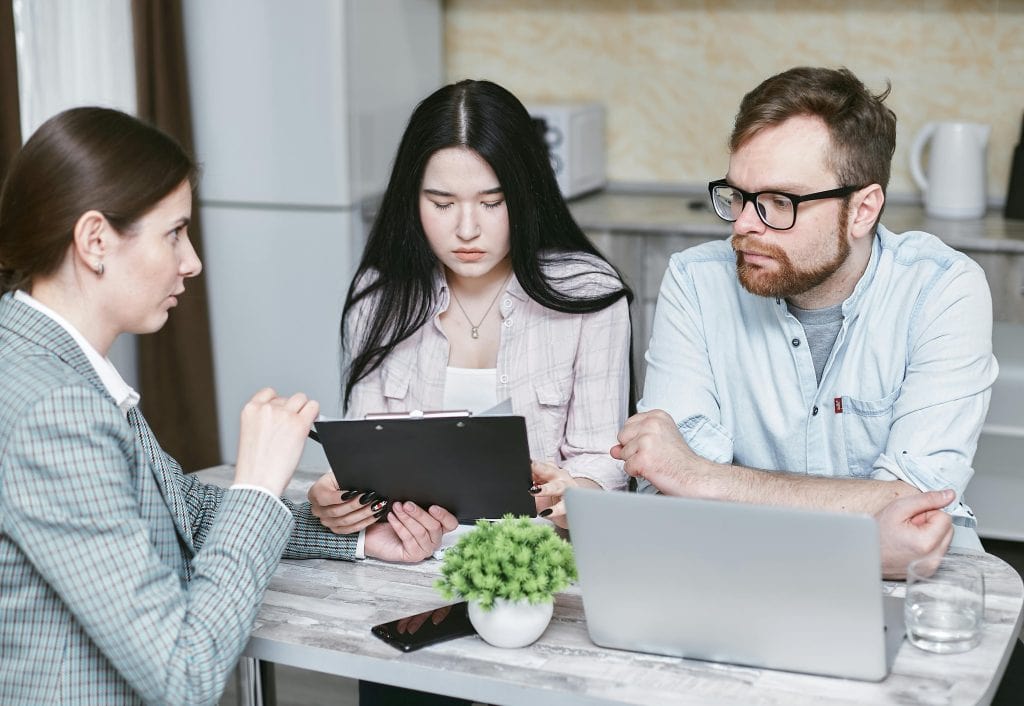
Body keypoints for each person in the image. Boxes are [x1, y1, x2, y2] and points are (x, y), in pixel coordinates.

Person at [0, 107, 456, 705]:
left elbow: (179, 509)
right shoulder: (55, 412)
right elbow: (183, 674)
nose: (191, 262)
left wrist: (357, 539)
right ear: (95, 240)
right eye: (173, 233)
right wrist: (260, 486)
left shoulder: (42, 358)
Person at [612, 66, 998, 572]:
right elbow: (668, 487)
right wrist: (860, 520)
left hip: (914, 584)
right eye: (738, 196)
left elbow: (916, 506)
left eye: (780, 202)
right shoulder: (695, 282)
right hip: (730, 567)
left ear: (863, 210)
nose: (745, 226)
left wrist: (707, 479)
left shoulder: (943, 289)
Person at [307, 79, 633, 535]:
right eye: (441, 203)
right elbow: (366, 461)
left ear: (526, 195)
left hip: (539, 563)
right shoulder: (380, 295)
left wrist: (578, 489)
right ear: (411, 199)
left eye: (492, 202)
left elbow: (606, 458)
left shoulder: (587, 293)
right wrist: (341, 500)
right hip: (408, 562)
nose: (466, 230)